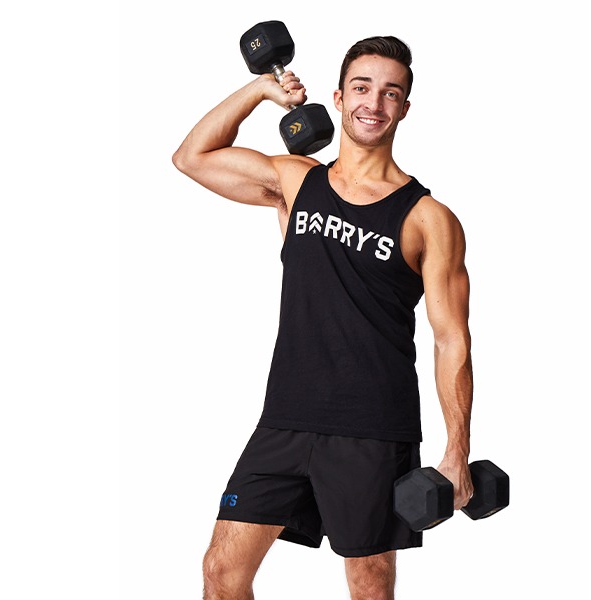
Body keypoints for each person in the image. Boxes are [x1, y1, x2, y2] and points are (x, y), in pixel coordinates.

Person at [172, 34, 474, 600]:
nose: (373, 103)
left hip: (373, 427)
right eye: (361, 87)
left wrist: (456, 450)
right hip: (285, 417)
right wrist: (260, 90)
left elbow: (450, 340)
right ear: (338, 98)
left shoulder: (429, 218)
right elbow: (192, 158)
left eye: (390, 93)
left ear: (404, 108)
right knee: (221, 571)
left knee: (367, 582)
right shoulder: (296, 181)